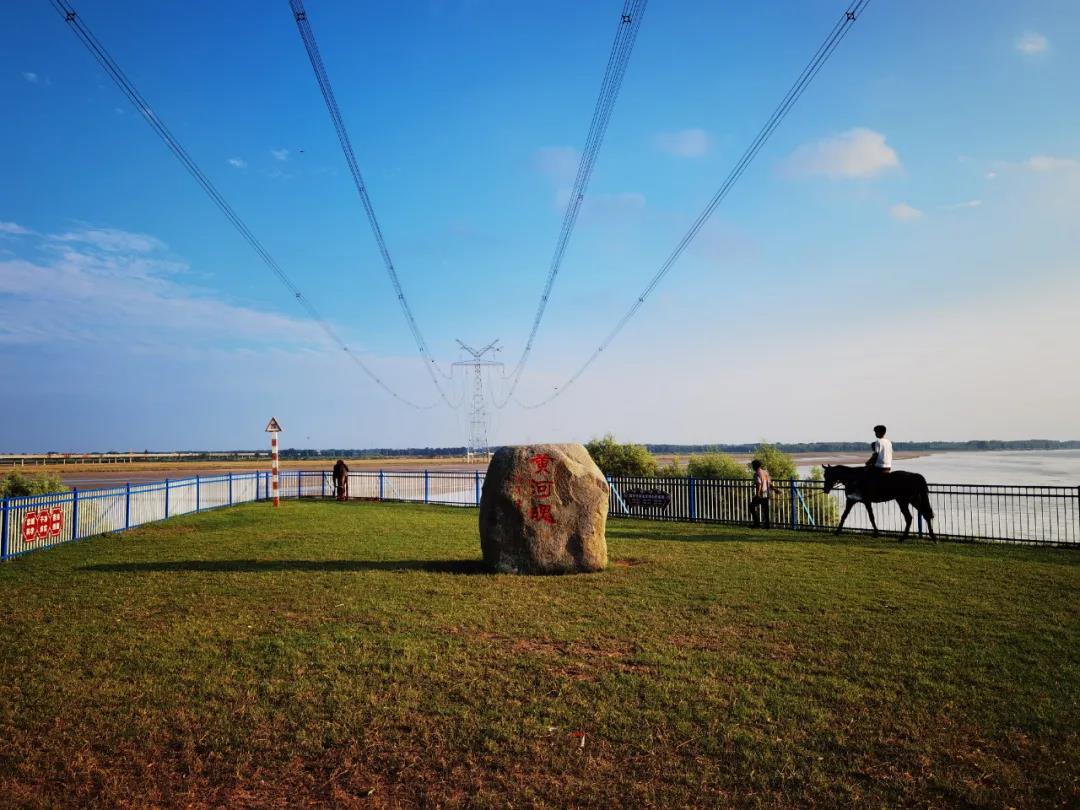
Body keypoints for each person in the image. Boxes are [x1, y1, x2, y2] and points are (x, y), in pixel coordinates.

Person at [750, 459, 773, 529]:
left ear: (755, 466)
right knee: (765, 509)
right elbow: (769, 483)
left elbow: (759, 484)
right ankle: (767, 525)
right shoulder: (765, 472)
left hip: (761, 494)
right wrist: (775, 489)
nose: (752, 467)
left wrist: (757, 494)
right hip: (766, 493)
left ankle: (756, 523)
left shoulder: (757, 473)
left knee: (751, 506)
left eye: (753, 465)